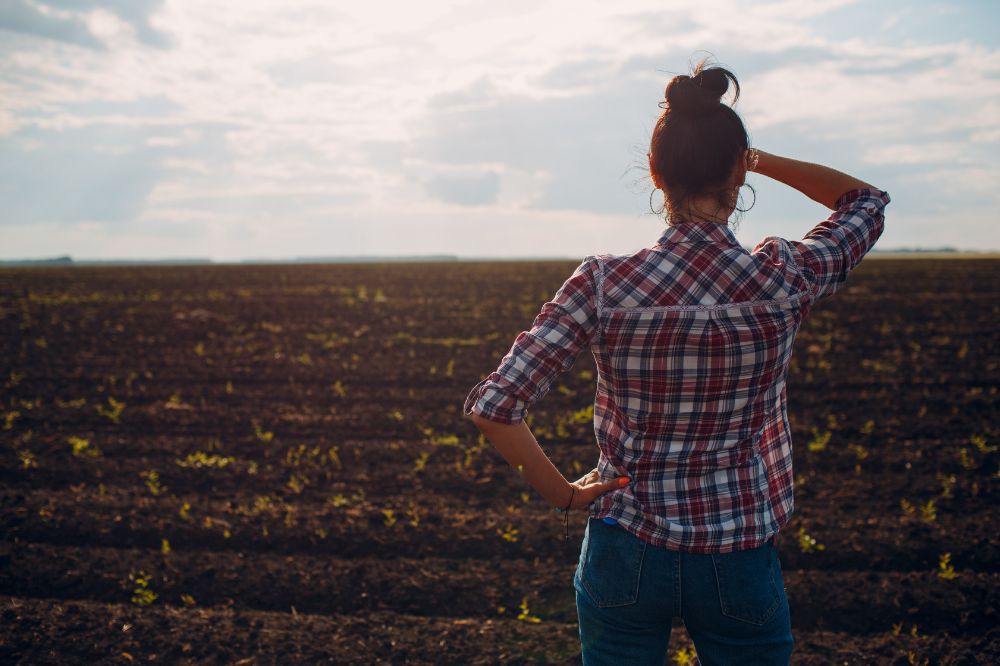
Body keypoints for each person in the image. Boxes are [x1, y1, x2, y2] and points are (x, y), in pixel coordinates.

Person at [463, 60, 889, 665]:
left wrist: (563, 495)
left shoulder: (604, 283)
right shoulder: (783, 277)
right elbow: (865, 202)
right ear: (737, 173)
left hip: (625, 547)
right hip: (739, 549)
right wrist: (753, 158)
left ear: (655, 173)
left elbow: (495, 406)